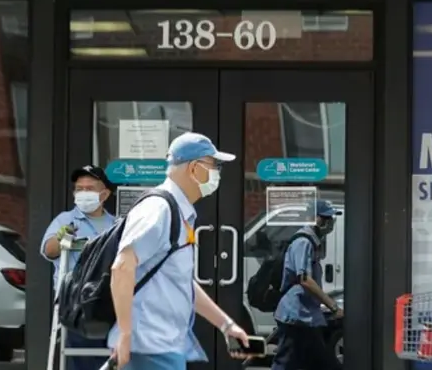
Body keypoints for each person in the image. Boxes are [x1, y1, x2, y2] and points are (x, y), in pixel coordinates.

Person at [109, 132, 253, 370]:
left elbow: (181, 281)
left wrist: (226, 325)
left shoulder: (178, 212)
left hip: (163, 345)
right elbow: (122, 267)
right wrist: (126, 335)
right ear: (194, 168)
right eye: (214, 165)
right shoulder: (159, 210)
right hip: (149, 346)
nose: (217, 172)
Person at [41, 165, 116, 370]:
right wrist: (61, 238)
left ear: (104, 194)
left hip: (111, 301)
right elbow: (49, 251)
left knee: (113, 356)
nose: (83, 193)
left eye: (89, 189)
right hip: (77, 302)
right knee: (81, 358)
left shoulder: (116, 224)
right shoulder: (66, 220)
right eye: (79, 189)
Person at [270, 199, 344, 370]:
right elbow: (305, 280)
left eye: (331, 219)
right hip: (296, 315)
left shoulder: (313, 241)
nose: (330, 223)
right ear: (315, 218)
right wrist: (332, 306)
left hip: (306, 315)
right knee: (287, 362)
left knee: (311, 362)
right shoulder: (303, 242)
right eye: (326, 218)